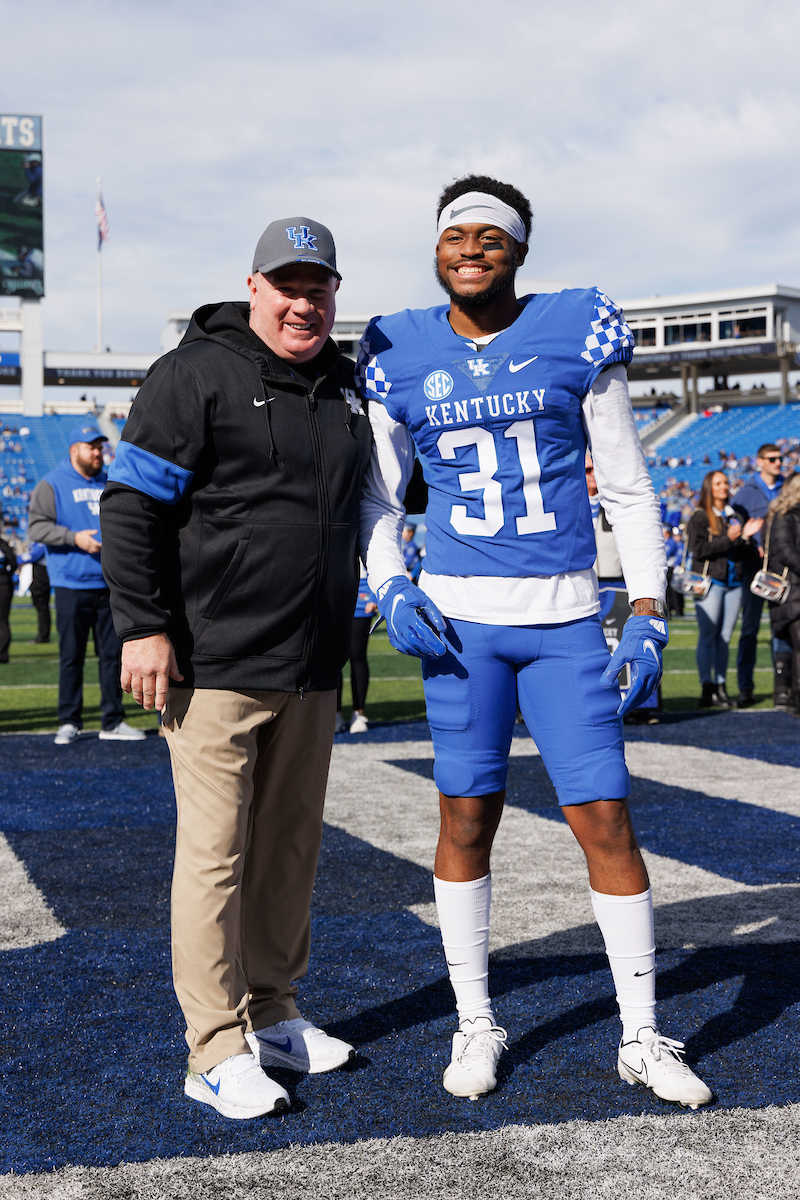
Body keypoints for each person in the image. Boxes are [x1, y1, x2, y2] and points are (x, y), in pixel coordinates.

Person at [358, 174, 712, 1109]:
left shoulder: (573, 327)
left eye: (491, 235)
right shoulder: (397, 347)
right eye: (455, 235)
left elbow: (627, 486)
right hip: (460, 627)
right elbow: (379, 499)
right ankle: (475, 1018)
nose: (471, 248)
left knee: (606, 820)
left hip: (563, 620)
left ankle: (641, 1034)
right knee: (465, 818)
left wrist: (646, 608)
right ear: (435, 248)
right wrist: (389, 583)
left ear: (519, 250)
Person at [100, 217, 373, 1121]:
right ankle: (215, 1047)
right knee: (216, 858)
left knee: (289, 851)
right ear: (253, 287)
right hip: (215, 663)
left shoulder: (345, 383)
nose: (303, 304)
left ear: (335, 293)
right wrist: (144, 626)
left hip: (312, 662)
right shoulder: (194, 372)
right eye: (287, 286)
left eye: (317, 287)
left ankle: (275, 1012)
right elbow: (130, 506)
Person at [27, 424, 145, 745]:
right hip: (70, 584)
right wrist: (74, 538)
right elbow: (36, 527)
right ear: (74, 449)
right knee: (71, 657)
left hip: (109, 585)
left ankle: (113, 720)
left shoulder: (109, 480)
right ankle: (69, 720)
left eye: (99, 446)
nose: (98, 452)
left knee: (113, 657)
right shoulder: (51, 484)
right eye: (91, 446)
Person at [686, 471, 761, 708]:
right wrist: (729, 538)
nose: (724, 486)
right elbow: (698, 550)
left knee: (724, 638)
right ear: (709, 487)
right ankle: (706, 688)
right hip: (711, 583)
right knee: (708, 636)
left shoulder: (735, 514)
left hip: (734, 583)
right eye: (718, 483)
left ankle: (721, 686)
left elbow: (739, 550)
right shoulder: (700, 517)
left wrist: (746, 538)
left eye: (726, 482)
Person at [733, 445, 792, 708]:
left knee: (782, 628)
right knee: (750, 629)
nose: (778, 462)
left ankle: (783, 687)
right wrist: (750, 542)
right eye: (772, 459)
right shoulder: (745, 493)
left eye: (780, 458)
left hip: (782, 569)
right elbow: (736, 532)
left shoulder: (788, 487)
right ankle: (745, 687)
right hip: (753, 570)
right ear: (760, 462)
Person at [763, 473, 800, 715]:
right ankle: (794, 696)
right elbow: (785, 551)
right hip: (792, 591)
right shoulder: (784, 515)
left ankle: (792, 695)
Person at [335, 569, 378, 734]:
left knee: (357, 655)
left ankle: (358, 714)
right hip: (334, 595)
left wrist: (374, 597)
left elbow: (376, 561)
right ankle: (335, 714)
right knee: (334, 658)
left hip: (362, 596)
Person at [18, 540, 51, 643]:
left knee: (42, 607)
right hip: (38, 572)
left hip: (41, 573)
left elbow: (35, 555)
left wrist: (17, 559)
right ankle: (43, 634)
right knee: (41, 607)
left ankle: (43, 636)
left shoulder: (42, 541)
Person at [0, 529, 17, 662]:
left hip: (3, 583)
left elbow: (13, 563)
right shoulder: (4, 545)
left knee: (2, 620)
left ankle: (2, 654)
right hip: (4, 583)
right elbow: (13, 563)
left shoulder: (4, 545)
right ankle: (3, 654)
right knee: (2, 620)